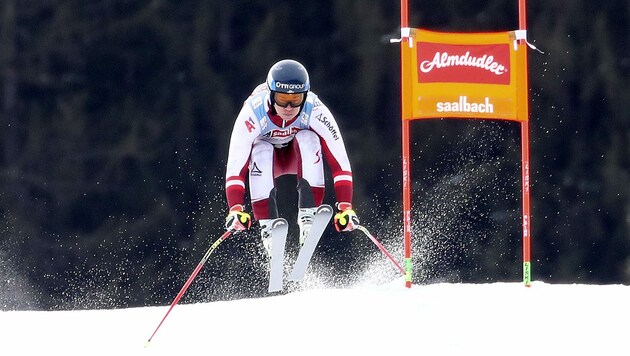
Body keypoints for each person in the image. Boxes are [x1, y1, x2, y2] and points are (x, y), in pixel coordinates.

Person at [223, 59, 360, 256]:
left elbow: (340, 160)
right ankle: (268, 229)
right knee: (261, 148)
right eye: (282, 99)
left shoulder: (315, 109)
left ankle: (308, 216)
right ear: (271, 95)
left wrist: (345, 206)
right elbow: (236, 164)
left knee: (309, 137)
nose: (288, 107)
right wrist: (235, 208)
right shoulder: (253, 112)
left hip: (299, 159)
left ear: (305, 95)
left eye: (296, 100)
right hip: (267, 164)